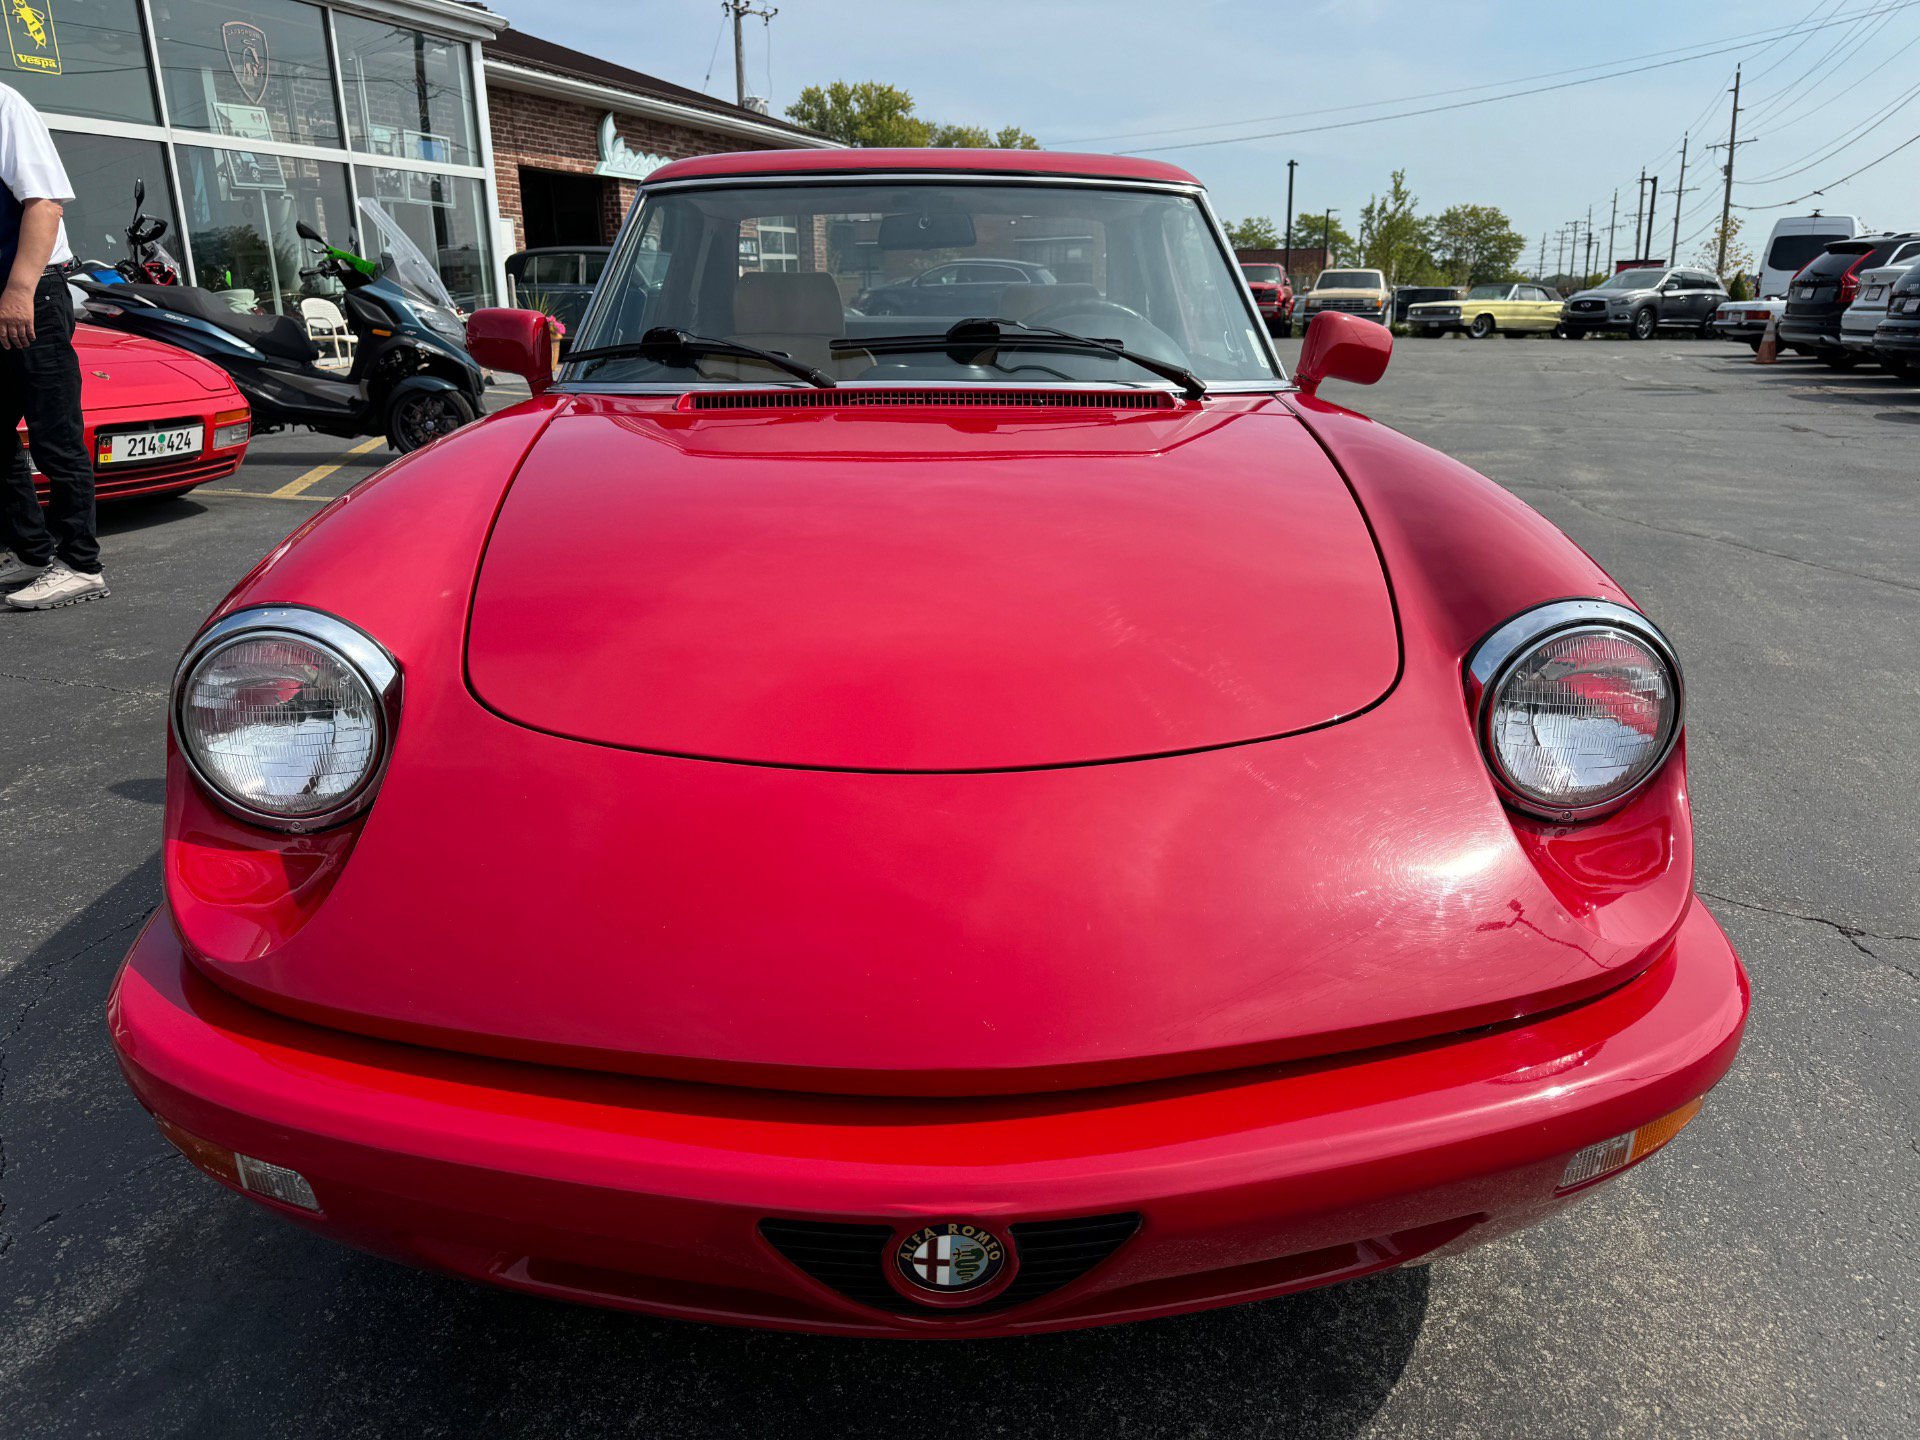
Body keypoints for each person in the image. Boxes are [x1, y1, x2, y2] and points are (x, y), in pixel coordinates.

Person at [0, 80, 107, 609]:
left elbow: (44, 205)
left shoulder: (3, 104)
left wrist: (19, 291)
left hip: (31, 292)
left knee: (54, 435)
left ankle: (82, 565)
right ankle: (31, 551)